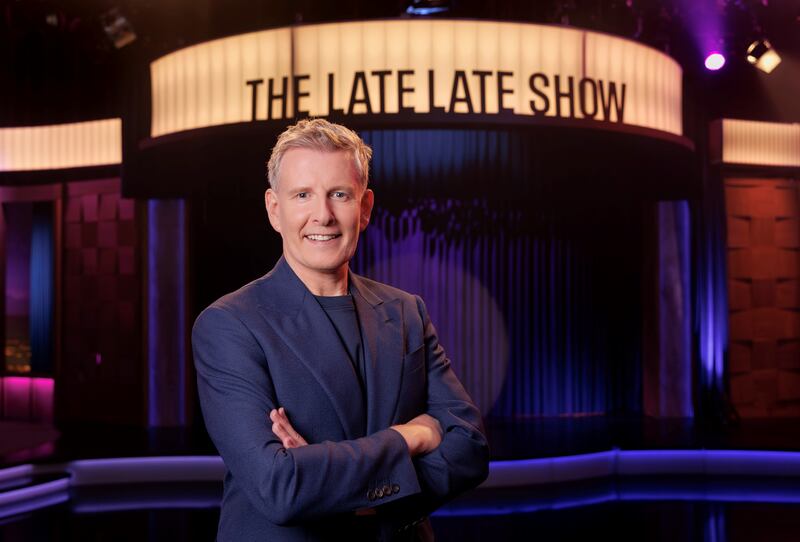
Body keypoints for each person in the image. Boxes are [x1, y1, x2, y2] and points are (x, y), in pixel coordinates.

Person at [192, 118, 490, 541]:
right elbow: (280, 487)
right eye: (302, 195)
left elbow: (470, 449)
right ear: (275, 210)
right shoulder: (229, 324)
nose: (323, 215)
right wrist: (410, 436)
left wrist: (336, 483)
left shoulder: (406, 311)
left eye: (339, 194)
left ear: (364, 208)